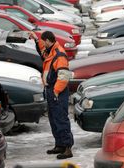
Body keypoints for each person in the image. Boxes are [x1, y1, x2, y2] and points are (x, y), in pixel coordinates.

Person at [30, 31, 74, 159]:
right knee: (54, 120)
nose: (43, 45)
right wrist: (36, 40)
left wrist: (56, 91)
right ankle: (59, 145)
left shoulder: (59, 54)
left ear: (48, 40)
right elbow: (42, 52)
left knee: (61, 119)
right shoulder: (50, 51)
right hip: (51, 91)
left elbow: (64, 76)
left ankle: (67, 148)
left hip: (57, 92)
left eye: (44, 42)